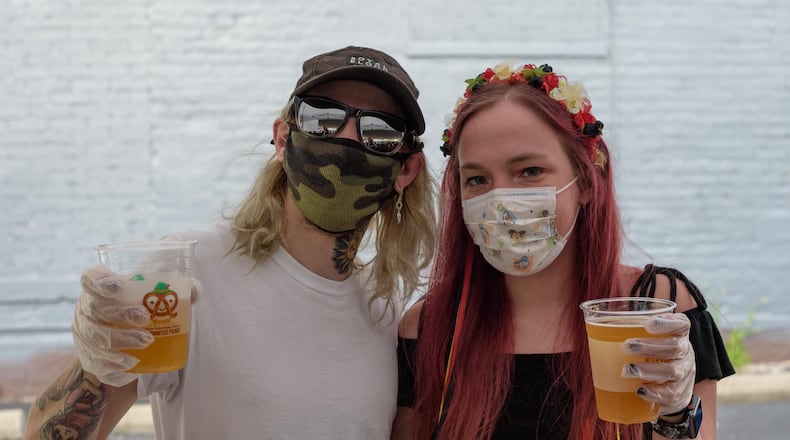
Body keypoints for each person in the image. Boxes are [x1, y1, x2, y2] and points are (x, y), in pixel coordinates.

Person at [24, 45, 436, 440]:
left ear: (406, 170)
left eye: (379, 130)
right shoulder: (187, 273)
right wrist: (97, 365)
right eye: (321, 117)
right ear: (282, 138)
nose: (346, 138)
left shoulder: (385, 310)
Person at [392, 62, 734, 440]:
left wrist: (676, 415)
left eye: (530, 171)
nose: (501, 199)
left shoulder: (657, 306)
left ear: (585, 181)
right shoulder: (430, 328)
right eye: (477, 179)